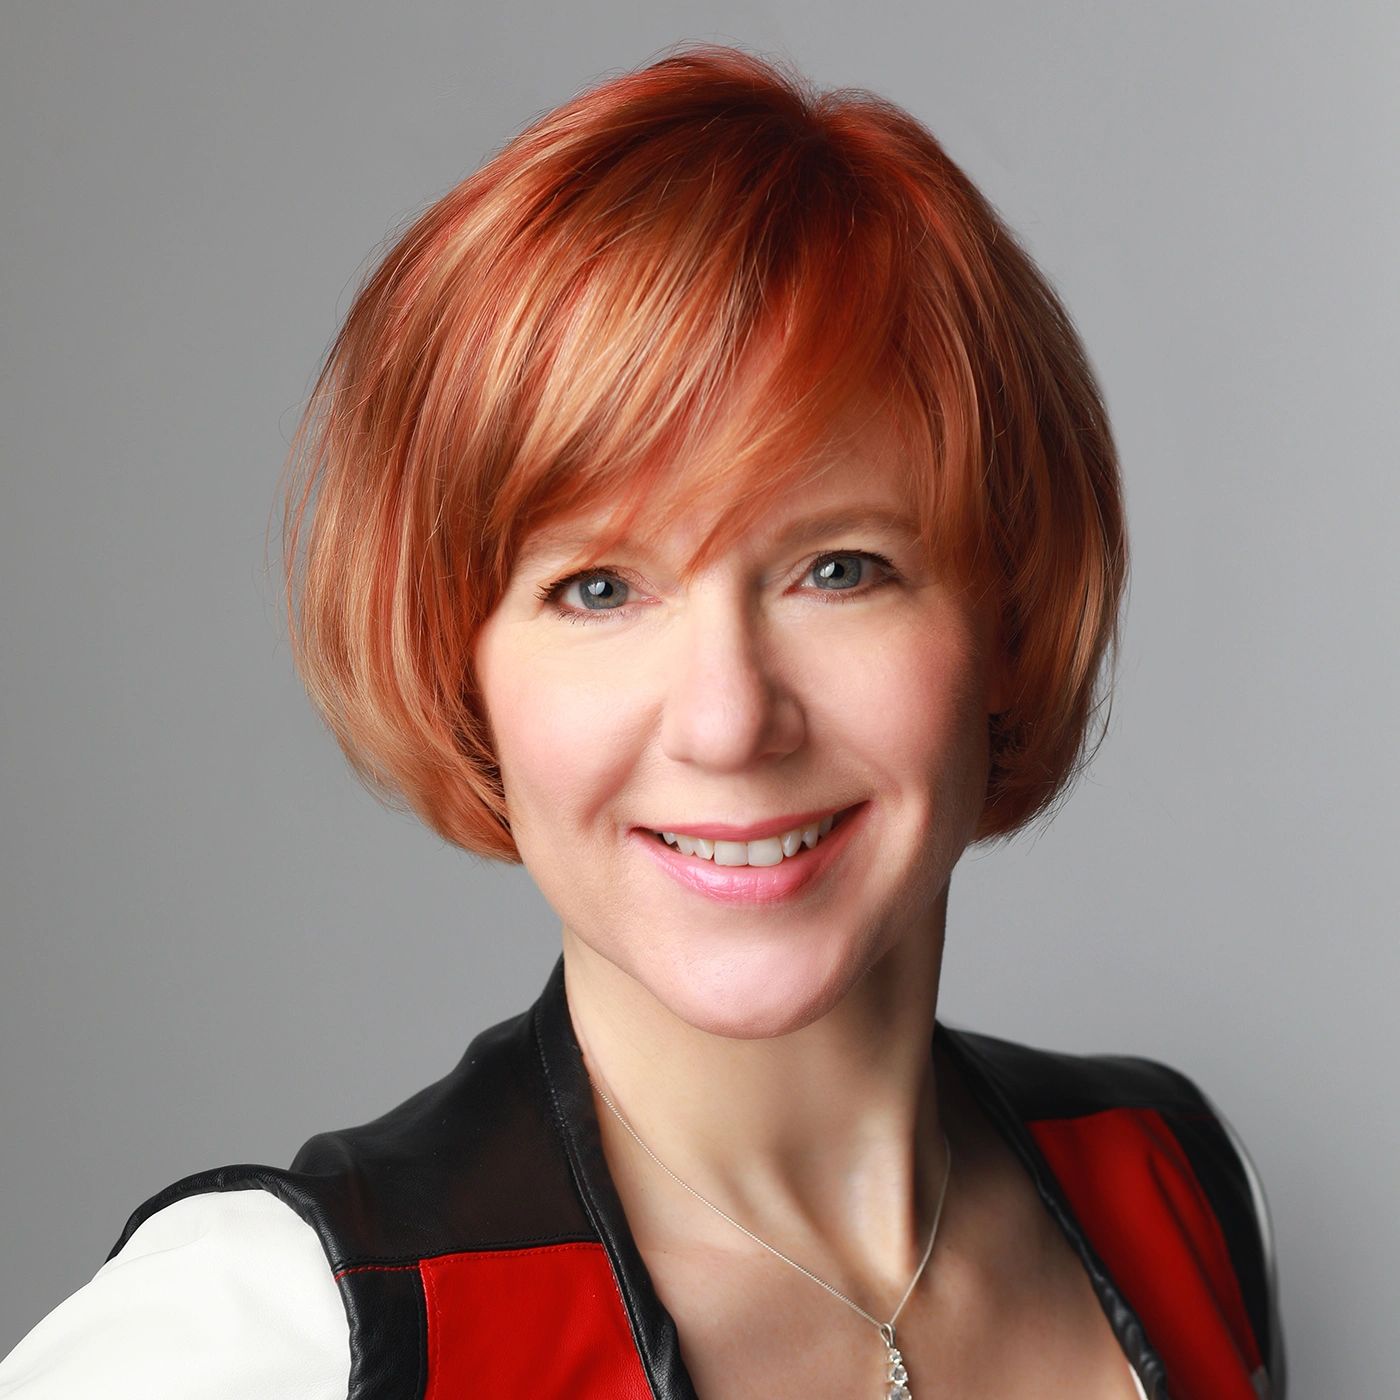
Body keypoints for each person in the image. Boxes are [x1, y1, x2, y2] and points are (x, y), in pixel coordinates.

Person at [0, 42, 1283, 1400]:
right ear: (463, 670)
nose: (729, 722)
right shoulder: (267, 1338)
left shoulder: (1180, 1187)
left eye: (837, 568)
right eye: (599, 587)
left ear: (1008, 622)